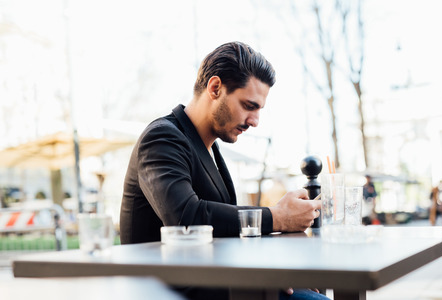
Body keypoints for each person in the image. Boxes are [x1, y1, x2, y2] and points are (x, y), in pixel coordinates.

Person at [120, 41, 327, 300]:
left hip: (218, 283)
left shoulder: (211, 148)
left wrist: (271, 271)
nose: (254, 121)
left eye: (259, 109)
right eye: (249, 106)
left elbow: (223, 234)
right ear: (215, 88)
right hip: (171, 292)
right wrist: (278, 217)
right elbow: (188, 218)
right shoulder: (162, 138)